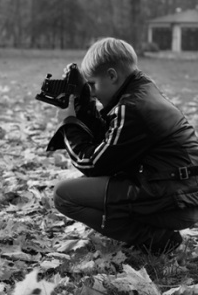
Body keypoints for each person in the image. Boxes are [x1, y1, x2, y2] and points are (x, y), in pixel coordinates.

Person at [48, 37, 198, 255]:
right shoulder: (141, 89)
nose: (93, 93)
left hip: (176, 201)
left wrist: (68, 123)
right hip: (180, 193)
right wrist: (86, 109)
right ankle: (152, 233)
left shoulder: (132, 108)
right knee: (85, 187)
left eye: (93, 85)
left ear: (112, 75)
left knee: (64, 195)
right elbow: (111, 146)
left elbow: (93, 164)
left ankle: (157, 239)